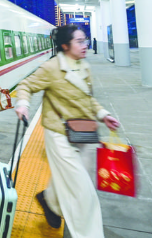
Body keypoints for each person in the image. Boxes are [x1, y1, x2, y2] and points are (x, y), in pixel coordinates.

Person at [14, 25, 120, 237]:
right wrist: (23, 104)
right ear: (65, 45)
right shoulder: (52, 67)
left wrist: (103, 114)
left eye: (85, 40)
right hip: (60, 134)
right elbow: (26, 85)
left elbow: (88, 99)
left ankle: (49, 200)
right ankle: (89, 234)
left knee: (73, 179)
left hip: (85, 132)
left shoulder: (84, 66)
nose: (85, 45)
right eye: (79, 41)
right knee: (82, 189)